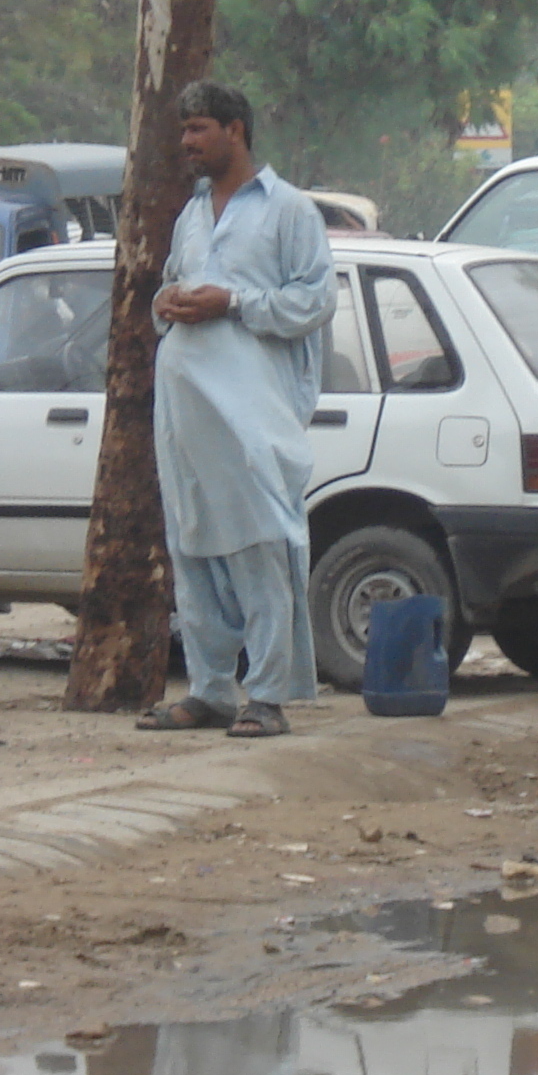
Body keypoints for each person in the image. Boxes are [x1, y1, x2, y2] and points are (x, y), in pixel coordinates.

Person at [136, 79, 336, 741]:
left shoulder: (289, 211)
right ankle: (210, 690)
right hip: (187, 411)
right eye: (184, 130)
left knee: (261, 547)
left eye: (197, 129)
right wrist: (168, 303)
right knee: (193, 547)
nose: (186, 143)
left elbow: (313, 302)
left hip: (253, 415)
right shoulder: (192, 214)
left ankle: (268, 695)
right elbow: (175, 282)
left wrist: (234, 302)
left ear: (235, 131)